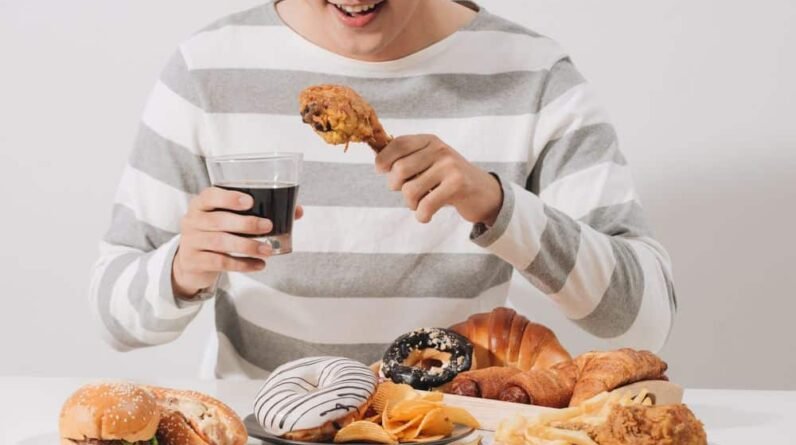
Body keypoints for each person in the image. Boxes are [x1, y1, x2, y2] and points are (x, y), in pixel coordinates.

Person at [89, 0, 676, 379]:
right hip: (262, 425)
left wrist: (499, 206)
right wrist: (183, 268)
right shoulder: (207, 69)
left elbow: (644, 320)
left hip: (453, 421)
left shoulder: (535, 75)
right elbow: (113, 318)